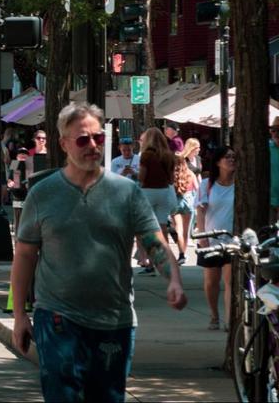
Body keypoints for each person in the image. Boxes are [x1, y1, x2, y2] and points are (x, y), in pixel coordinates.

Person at [11, 102, 186, 403]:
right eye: (83, 139)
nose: (92, 145)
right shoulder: (43, 193)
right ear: (64, 144)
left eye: (98, 138)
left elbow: (155, 243)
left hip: (114, 322)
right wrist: (19, 315)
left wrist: (174, 279)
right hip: (57, 318)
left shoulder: (126, 192)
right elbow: (25, 255)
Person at [196, 145, 235, 331]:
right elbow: (200, 211)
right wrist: (202, 236)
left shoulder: (241, 184)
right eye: (228, 157)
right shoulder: (207, 184)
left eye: (234, 157)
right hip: (211, 240)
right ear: (218, 162)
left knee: (230, 281)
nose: (232, 160)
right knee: (212, 282)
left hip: (233, 241)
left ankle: (228, 319)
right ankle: (214, 315)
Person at [136, 127, 178, 274]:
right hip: (164, 191)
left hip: (148, 191)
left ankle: (148, 262)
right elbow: (171, 179)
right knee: (162, 227)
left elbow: (141, 177)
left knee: (145, 228)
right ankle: (167, 260)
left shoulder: (146, 155)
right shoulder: (169, 155)